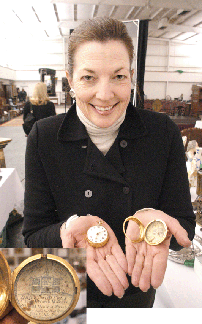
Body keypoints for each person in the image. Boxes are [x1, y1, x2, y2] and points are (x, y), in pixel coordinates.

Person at [22, 17, 195, 308]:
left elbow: (184, 228)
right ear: (70, 79)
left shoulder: (162, 132)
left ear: (131, 76)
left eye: (118, 77)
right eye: (89, 77)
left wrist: (160, 231)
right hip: (67, 285)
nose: (105, 95)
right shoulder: (44, 136)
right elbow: (33, 235)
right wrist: (66, 231)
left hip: (136, 289)